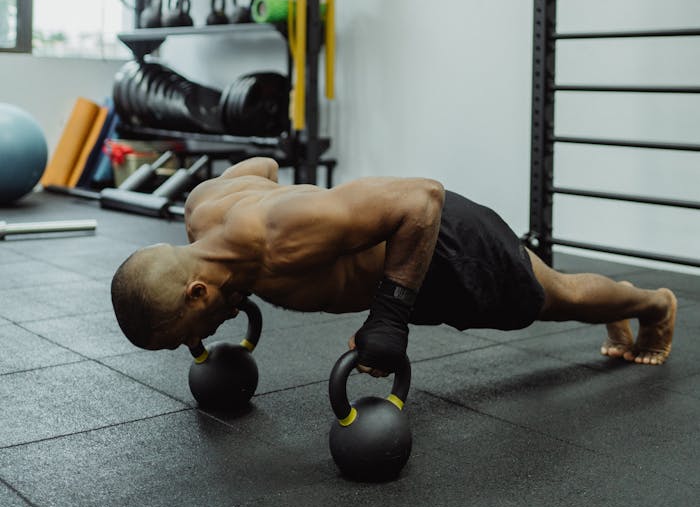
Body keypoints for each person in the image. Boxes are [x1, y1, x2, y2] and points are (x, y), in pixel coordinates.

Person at [110, 158, 677, 373]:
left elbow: (421, 198)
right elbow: (261, 164)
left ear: (197, 293)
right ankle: (622, 307)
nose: (195, 345)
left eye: (183, 337)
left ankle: (653, 304)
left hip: (445, 243)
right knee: (554, 302)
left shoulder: (278, 235)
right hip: (407, 268)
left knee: (556, 301)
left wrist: (389, 319)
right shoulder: (202, 208)